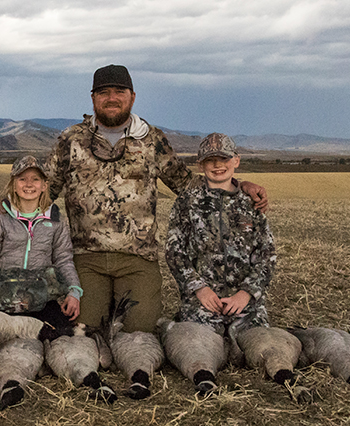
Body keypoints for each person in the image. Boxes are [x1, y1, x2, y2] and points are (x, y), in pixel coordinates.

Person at [42, 65, 267, 333]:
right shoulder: (71, 139)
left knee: (141, 331)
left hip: (138, 258)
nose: (111, 98)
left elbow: (187, 184)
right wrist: (4, 208)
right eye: (103, 92)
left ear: (132, 97)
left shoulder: (152, 140)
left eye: (119, 92)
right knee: (84, 330)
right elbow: (43, 191)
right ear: (93, 98)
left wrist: (240, 185)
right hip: (85, 257)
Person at [164, 133, 275, 332]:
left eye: (224, 159)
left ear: (236, 161)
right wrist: (199, 288)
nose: (217, 165)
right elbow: (175, 252)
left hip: (246, 306)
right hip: (202, 304)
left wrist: (246, 293)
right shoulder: (187, 202)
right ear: (200, 166)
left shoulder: (251, 202)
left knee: (261, 347)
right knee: (195, 348)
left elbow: (267, 255)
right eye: (210, 160)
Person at [0, 155, 82, 319]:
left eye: (35, 179)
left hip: (43, 299)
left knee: (60, 337)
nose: (28, 184)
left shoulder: (56, 219)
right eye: (22, 179)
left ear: (44, 185)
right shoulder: (0, 217)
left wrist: (74, 291)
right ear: (13, 184)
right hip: (3, 301)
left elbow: (64, 259)